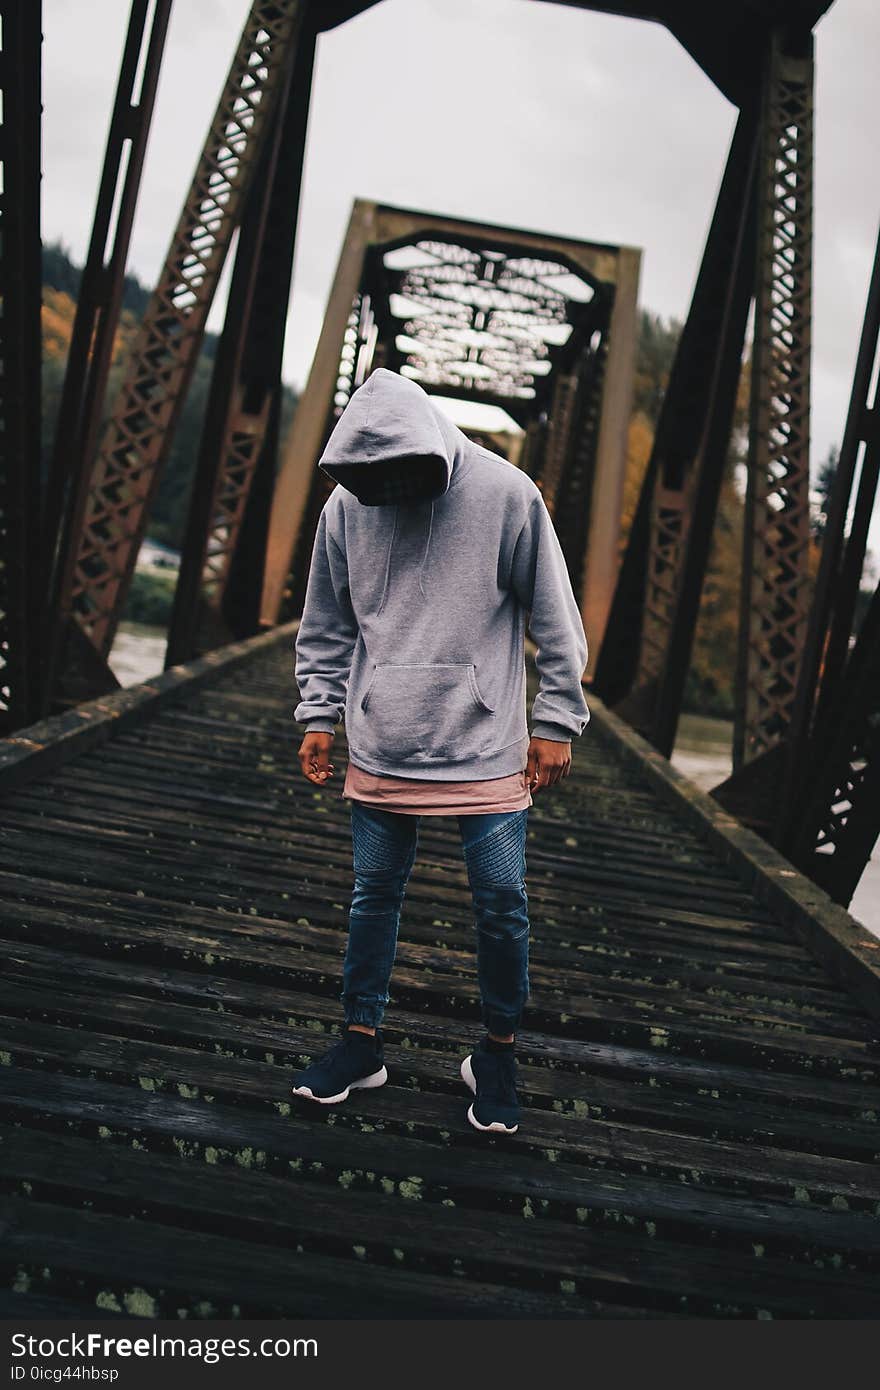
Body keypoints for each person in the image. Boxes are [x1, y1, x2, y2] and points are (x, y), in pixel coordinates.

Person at [290, 368, 590, 1135]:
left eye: (397, 474)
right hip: (383, 744)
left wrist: (557, 719)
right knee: (372, 899)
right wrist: (319, 711)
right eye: (368, 478)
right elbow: (325, 619)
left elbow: (556, 614)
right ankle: (360, 1041)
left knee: (502, 906)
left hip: (485, 748)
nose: (384, 490)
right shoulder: (345, 506)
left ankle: (496, 1050)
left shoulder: (506, 493)